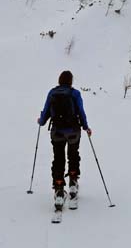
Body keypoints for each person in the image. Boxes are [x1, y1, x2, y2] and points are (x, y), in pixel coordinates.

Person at [37, 70, 92, 203]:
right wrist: (86, 127)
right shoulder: (75, 93)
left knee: (58, 159)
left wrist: (41, 121)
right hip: (73, 131)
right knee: (73, 155)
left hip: (57, 132)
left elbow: (45, 114)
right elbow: (81, 112)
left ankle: (59, 189)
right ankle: (73, 183)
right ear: (71, 81)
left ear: (59, 80)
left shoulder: (52, 93)